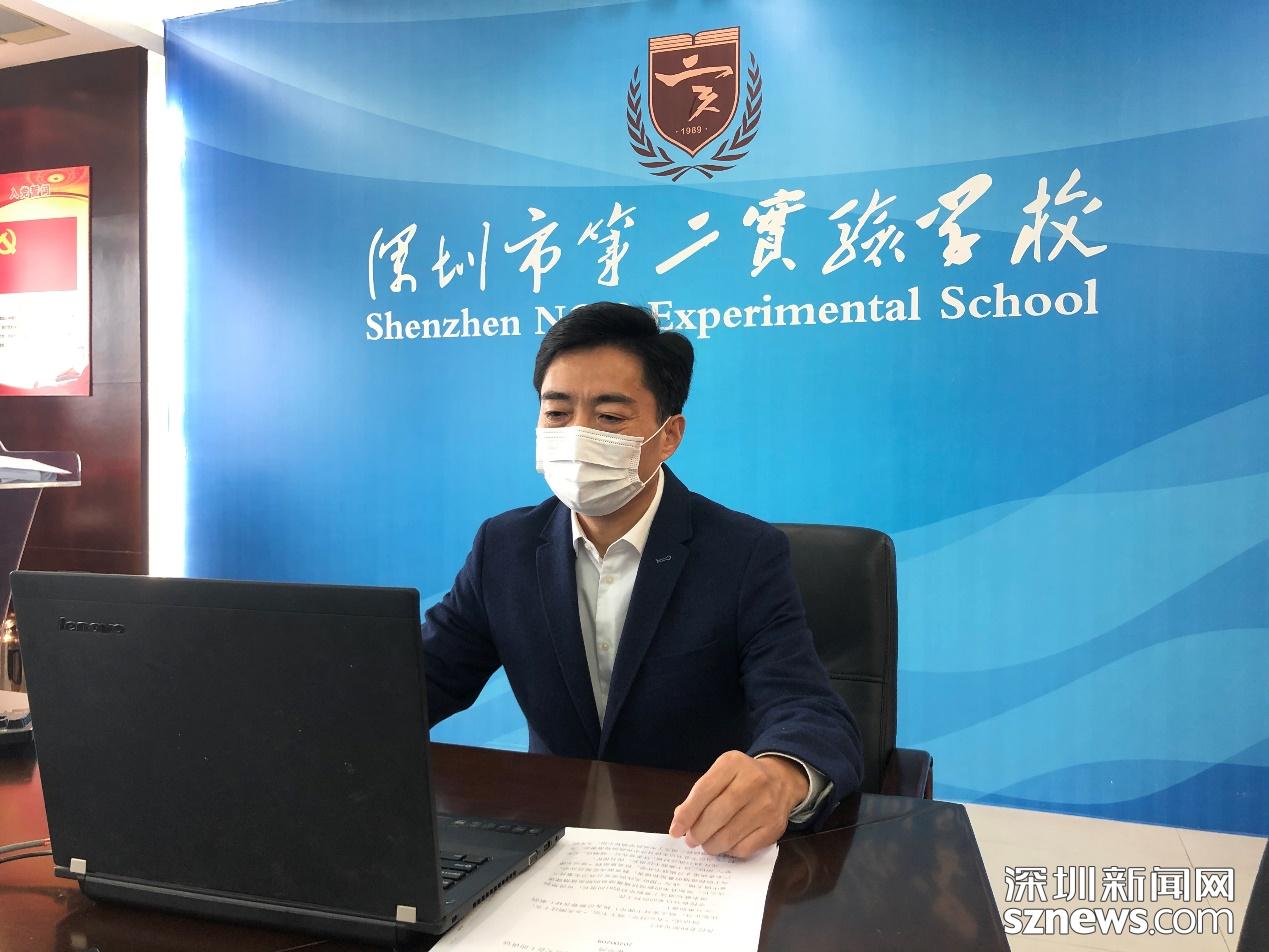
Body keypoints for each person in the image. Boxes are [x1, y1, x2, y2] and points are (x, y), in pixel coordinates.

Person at [422, 302, 863, 858]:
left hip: (694, 843)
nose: (577, 435)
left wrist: (780, 776)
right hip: (551, 842)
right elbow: (420, 678)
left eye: (609, 417)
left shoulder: (744, 553)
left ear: (668, 434)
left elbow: (808, 707)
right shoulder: (503, 547)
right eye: (557, 413)